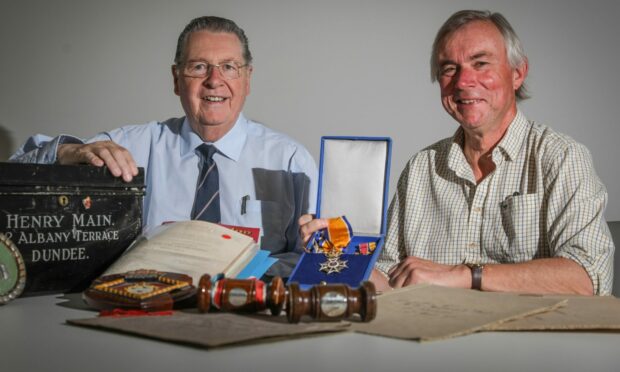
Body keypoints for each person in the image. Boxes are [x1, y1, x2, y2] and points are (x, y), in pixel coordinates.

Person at [300, 10, 614, 295]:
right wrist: (339, 252)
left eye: (481, 63)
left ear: (518, 73)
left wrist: (464, 275)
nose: (463, 82)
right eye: (450, 69)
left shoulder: (561, 158)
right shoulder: (422, 169)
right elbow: (387, 280)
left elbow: (587, 277)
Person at [11, 16, 318, 278]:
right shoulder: (132, 146)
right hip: (143, 314)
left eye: (228, 67)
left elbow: (318, 257)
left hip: (250, 314)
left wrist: (316, 251)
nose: (214, 80)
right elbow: (14, 172)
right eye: (199, 67)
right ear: (176, 79)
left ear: (247, 79)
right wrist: (69, 153)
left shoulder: (290, 161)